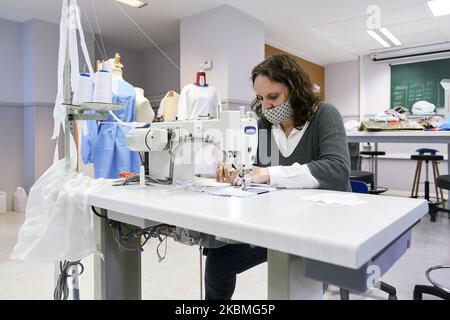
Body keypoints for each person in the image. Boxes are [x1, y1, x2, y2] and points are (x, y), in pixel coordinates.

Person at [205, 54, 351, 300]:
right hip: (279, 225)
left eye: (273, 97)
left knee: (302, 286)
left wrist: (268, 174)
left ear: (295, 90)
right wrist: (234, 170)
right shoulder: (265, 125)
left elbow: (337, 169)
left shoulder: (324, 114)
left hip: (322, 228)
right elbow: (255, 168)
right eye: (261, 98)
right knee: (219, 261)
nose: (266, 106)